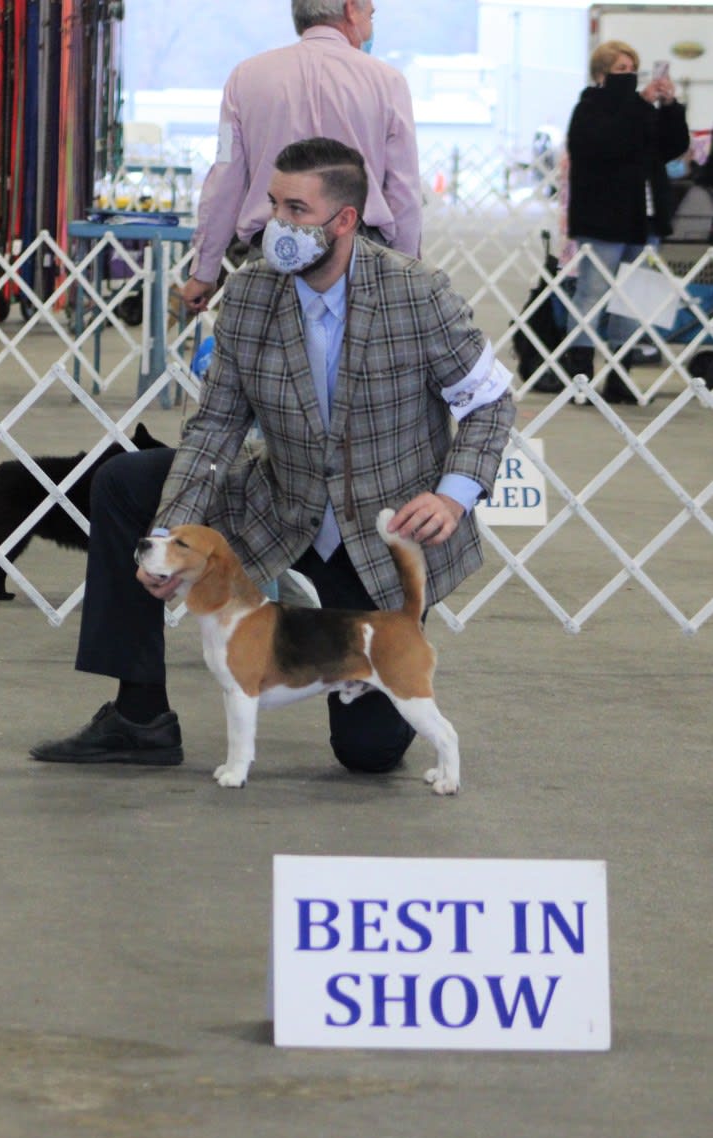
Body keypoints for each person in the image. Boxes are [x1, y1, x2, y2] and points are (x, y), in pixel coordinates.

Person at [30, 138, 514, 775]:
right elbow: (214, 429)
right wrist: (168, 534)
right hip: (278, 505)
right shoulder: (252, 295)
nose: (275, 226)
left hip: (379, 533)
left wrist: (453, 494)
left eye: (295, 210)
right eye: (272, 206)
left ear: (343, 221)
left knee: (368, 754)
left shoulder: (417, 294)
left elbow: (491, 403)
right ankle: (139, 714)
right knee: (123, 480)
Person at [181, 0, 422, 315]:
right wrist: (407, 273)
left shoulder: (243, 78)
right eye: (370, 15)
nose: (371, 26)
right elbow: (404, 188)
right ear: (350, 9)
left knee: (270, 360)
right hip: (358, 253)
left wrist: (205, 269)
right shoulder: (389, 82)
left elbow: (224, 178)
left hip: (271, 250)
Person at [564, 40, 689, 403]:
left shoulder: (642, 109)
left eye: (633, 69)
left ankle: (621, 375)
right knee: (592, 294)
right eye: (621, 70)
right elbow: (608, 143)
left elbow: (671, 146)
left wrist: (669, 107)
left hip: (645, 218)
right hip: (603, 218)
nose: (630, 77)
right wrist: (639, 103)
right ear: (602, 74)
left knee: (636, 298)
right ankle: (580, 375)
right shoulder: (589, 109)